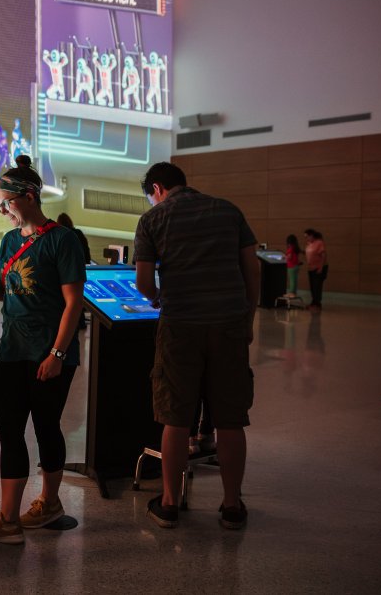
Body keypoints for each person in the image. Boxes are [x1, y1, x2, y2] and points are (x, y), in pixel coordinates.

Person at [133, 162, 258, 530]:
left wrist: (158, 298)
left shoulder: (154, 219)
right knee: (231, 418)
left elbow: (143, 279)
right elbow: (252, 269)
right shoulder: (228, 210)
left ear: (156, 188)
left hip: (180, 326)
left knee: (175, 416)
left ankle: (170, 504)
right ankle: (232, 506)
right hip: (229, 324)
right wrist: (246, 319)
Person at [0, 166, 86, 544]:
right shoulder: (8, 241)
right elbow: (9, 293)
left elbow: (73, 304)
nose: (3, 211)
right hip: (11, 350)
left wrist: (56, 353)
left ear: (29, 196)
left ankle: (50, 503)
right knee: (9, 431)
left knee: (47, 427)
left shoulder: (63, 241)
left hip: (50, 353)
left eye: (6, 203)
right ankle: (7, 518)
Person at [304, 229, 327, 312]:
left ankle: (317, 304)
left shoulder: (319, 243)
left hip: (318, 268)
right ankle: (313, 303)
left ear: (312, 235)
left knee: (317, 287)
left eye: (307, 237)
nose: (306, 239)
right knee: (313, 287)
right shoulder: (309, 244)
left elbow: (323, 255)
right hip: (311, 268)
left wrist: (320, 267)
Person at [284, 234, 301, 298]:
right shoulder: (295, 247)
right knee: (294, 280)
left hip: (291, 266)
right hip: (296, 266)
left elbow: (289, 257)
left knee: (292, 280)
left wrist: (284, 257)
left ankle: (292, 293)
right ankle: (293, 292)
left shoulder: (291, 248)